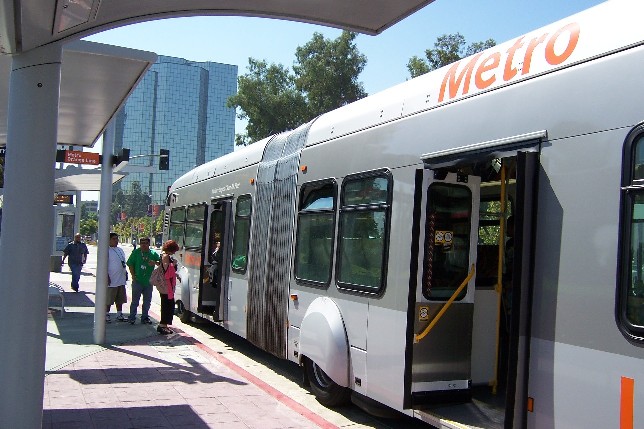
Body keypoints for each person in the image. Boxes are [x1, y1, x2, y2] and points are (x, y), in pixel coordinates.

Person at [126, 237, 160, 325]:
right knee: (135, 301)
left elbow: (162, 263)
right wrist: (133, 276)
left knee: (147, 301)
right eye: (142, 243)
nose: (143, 245)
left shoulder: (152, 253)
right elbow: (130, 264)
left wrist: (155, 263)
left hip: (148, 281)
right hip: (138, 280)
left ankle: (145, 317)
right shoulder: (136, 252)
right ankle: (132, 317)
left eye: (145, 243)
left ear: (149, 244)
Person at [157, 240, 181, 334]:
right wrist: (173, 264)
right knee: (167, 304)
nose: (174, 252)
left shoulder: (166, 256)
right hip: (166, 285)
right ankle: (162, 325)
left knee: (169, 304)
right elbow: (167, 270)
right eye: (174, 250)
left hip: (169, 284)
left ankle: (165, 325)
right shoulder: (165, 256)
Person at [106, 232, 128, 323]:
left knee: (120, 299)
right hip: (112, 279)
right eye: (114, 239)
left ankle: (119, 314)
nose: (116, 241)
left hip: (121, 279)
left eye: (117, 239)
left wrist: (125, 273)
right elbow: (104, 265)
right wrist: (106, 276)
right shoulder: (106, 250)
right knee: (109, 299)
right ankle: (106, 314)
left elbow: (123, 262)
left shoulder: (120, 250)